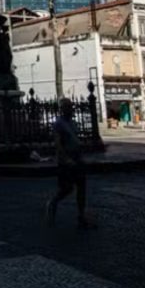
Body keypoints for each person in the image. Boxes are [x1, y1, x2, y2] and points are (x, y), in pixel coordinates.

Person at [45, 98, 94, 230]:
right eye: (67, 107)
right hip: (66, 161)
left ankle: (81, 216)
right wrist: (66, 159)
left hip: (77, 158)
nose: (71, 109)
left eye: (71, 106)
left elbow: (76, 138)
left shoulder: (73, 122)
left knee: (81, 187)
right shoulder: (58, 124)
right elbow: (58, 144)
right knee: (67, 188)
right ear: (62, 109)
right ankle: (52, 202)